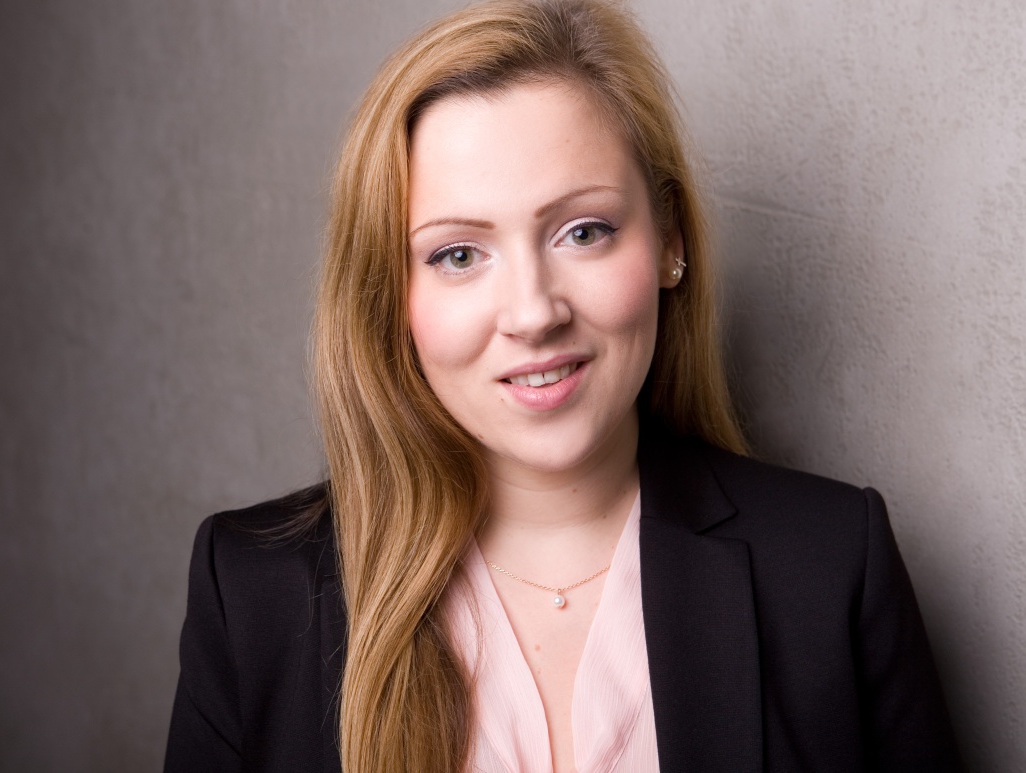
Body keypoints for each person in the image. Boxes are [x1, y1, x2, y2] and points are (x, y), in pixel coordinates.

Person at [164, 1, 961, 771]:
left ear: (671, 242)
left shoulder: (830, 567)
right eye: (458, 254)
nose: (533, 312)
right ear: (389, 296)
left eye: (584, 231)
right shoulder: (254, 594)